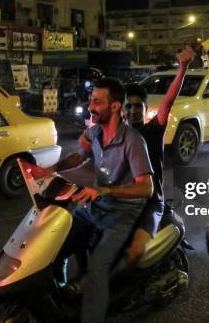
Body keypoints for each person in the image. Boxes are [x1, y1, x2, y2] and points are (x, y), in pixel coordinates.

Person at [79, 45, 198, 265]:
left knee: (133, 254)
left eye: (138, 106)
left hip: (150, 201)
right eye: (128, 106)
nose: (133, 111)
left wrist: (182, 68)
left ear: (145, 108)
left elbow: (169, 100)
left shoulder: (153, 129)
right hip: (118, 200)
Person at [49, 77, 154, 323]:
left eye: (97, 102)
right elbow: (79, 156)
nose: (90, 107)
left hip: (120, 215)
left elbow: (146, 188)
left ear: (115, 106)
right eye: (91, 100)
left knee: (97, 271)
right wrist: (52, 170)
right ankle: (64, 294)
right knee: (53, 246)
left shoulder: (133, 141)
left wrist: (106, 191)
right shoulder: (95, 132)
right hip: (94, 206)